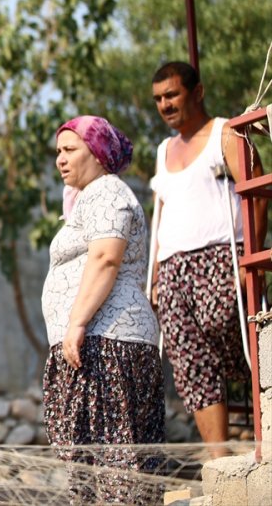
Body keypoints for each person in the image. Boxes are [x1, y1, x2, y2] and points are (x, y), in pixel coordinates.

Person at [41, 115, 164, 504]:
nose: (60, 160)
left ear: (96, 152)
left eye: (70, 150)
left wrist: (76, 323)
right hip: (92, 343)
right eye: (58, 152)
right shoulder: (88, 198)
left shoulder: (108, 192)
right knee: (93, 466)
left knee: (115, 467)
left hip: (107, 342)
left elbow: (106, 258)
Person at [150, 61, 267, 448]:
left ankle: (260, 429)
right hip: (172, 268)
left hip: (221, 258)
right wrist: (154, 276)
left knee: (229, 335)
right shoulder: (164, 149)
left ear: (196, 92)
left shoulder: (225, 133)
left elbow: (257, 192)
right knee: (190, 364)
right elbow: (161, 211)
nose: (165, 104)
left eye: (172, 95)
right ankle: (217, 461)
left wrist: (251, 254)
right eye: (158, 99)